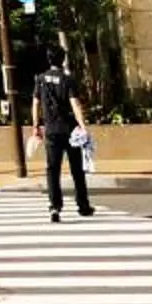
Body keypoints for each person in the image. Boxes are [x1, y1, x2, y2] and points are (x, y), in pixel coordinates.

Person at [33, 45, 94, 220]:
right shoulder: (68, 80)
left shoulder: (41, 80)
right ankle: (83, 205)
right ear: (62, 59)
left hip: (51, 130)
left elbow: (35, 103)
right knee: (77, 169)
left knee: (52, 169)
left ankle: (55, 207)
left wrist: (36, 125)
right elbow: (75, 104)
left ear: (48, 59)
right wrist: (83, 126)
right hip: (69, 130)